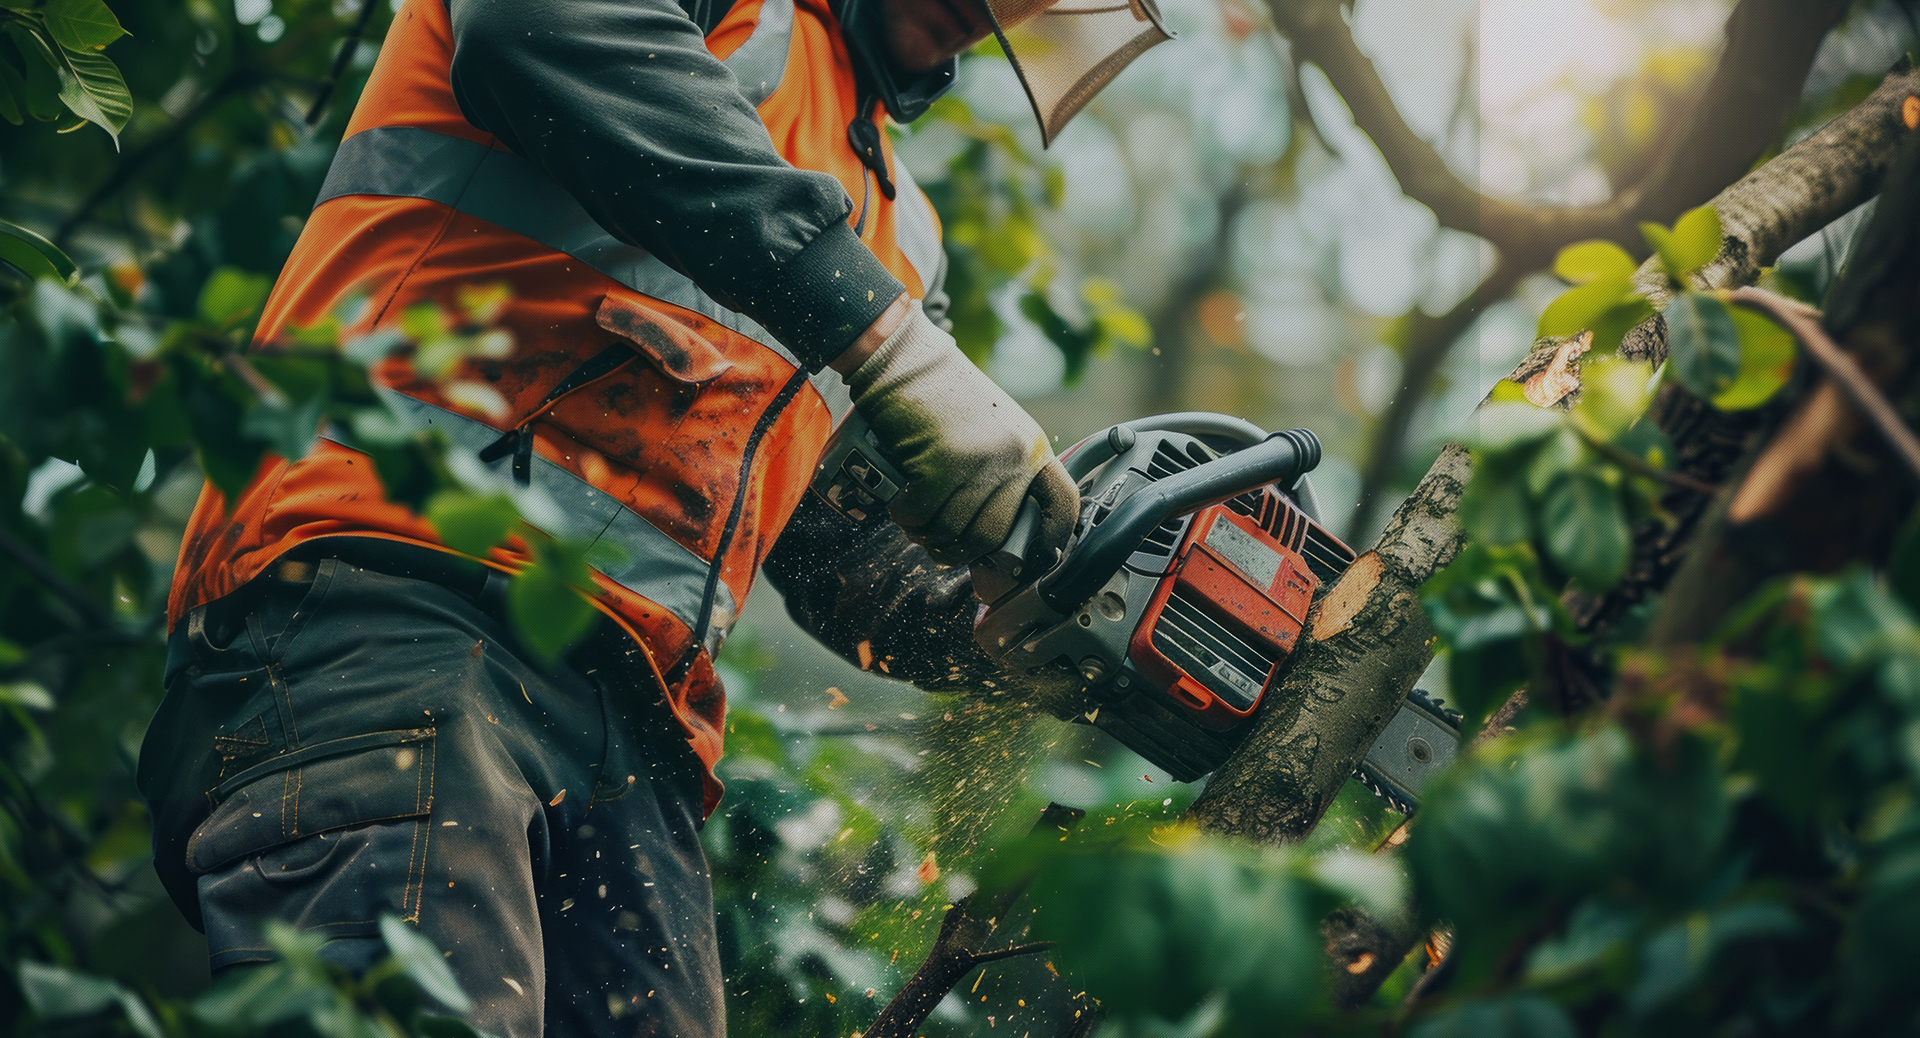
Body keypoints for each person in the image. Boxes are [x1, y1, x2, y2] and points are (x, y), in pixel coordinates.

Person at [137, 0, 1169, 1032]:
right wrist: (889, 343)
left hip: (634, 730)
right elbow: (534, 24)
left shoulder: (900, 232)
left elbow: (845, 548)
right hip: (386, 607)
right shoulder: (736, 23)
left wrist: (1052, 622)